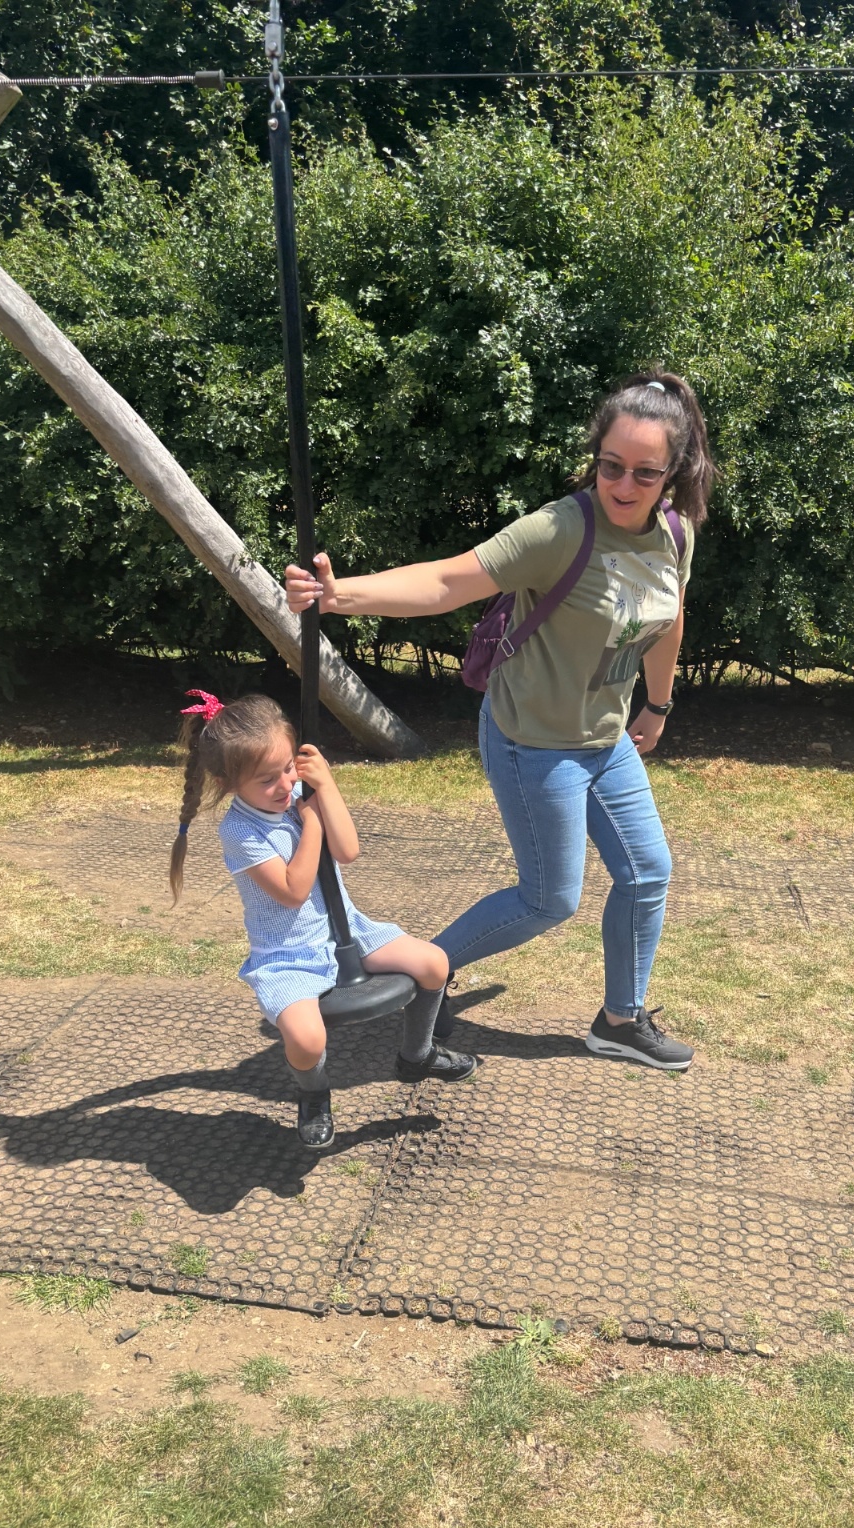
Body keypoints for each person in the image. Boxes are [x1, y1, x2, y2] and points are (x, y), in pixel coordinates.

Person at [285, 370, 715, 1070]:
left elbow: (669, 619)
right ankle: (426, 968)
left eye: (645, 472)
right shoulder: (561, 529)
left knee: (646, 874)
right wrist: (339, 596)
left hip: (605, 739)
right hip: (532, 742)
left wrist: (658, 704)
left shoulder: (673, 534)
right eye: (611, 466)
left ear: (674, 472)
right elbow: (447, 581)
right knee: (549, 900)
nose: (624, 484)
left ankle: (620, 1020)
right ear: (596, 458)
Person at [169, 691, 477, 1150]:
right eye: (267, 780)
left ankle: (418, 1054)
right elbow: (292, 890)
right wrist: (311, 823)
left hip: (346, 928)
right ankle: (314, 1095)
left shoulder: (301, 793)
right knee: (307, 1038)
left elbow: (348, 851)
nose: (284, 785)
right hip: (287, 955)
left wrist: (326, 787)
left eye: (288, 768)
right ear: (227, 783)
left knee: (434, 963)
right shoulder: (240, 831)